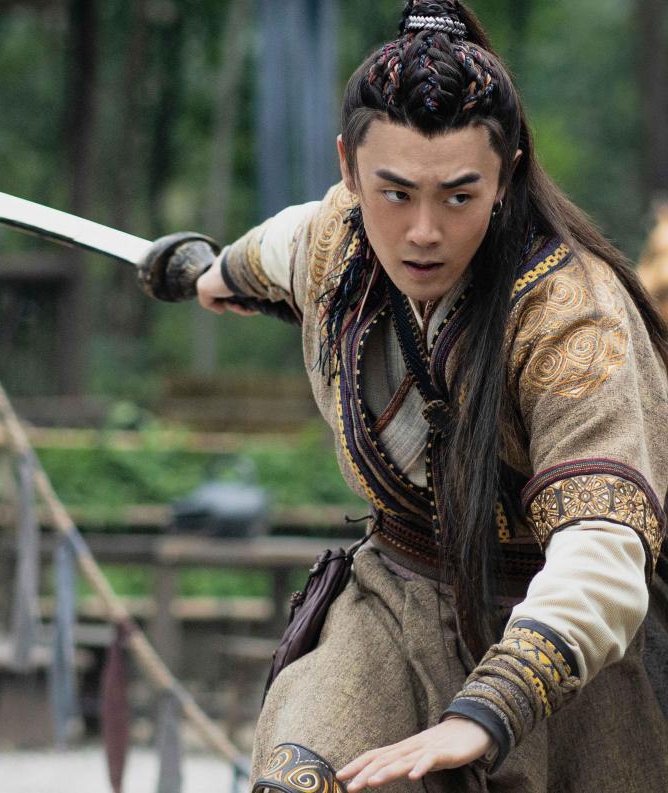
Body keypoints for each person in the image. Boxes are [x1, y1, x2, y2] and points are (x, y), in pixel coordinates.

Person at [195, 1, 668, 790]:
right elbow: (273, 248)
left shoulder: (572, 314)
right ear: (349, 169)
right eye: (394, 193)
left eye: (457, 196)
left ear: (506, 173)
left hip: (564, 646)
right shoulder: (334, 236)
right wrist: (210, 272)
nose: (422, 231)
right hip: (390, 605)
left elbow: (603, 549)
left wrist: (486, 708)